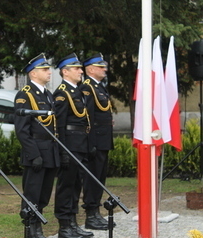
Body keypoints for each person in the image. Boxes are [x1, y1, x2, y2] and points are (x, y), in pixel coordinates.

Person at [14, 53, 59, 238]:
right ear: (33, 74)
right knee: (32, 193)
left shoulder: (47, 94)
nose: (49, 72)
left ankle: (38, 223)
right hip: (36, 153)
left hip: (50, 151)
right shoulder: (24, 95)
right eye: (44, 69)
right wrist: (34, 155)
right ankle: (31, 228)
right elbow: (22, 130)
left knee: (44, 194)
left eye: (48, 69)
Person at [53, 53, 93, 238]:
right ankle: (64, 226)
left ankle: (73, 223)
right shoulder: (62, 93)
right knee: (66, 186)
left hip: (80, 145)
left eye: (80, 68)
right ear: (65, 72)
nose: (80, 71)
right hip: (69, 145)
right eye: (76, 68)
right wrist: (62, 150)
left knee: (77, 186)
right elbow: (58, 124)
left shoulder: (77, 91)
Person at [79, 53, 114, 230]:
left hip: (103, 140)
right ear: (91, 69)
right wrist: (90, 143)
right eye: (101, 67)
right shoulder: (87, 87)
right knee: (92, 179)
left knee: (100, 177)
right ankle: (91, 215)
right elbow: (88, 118)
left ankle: (96, 212)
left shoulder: (99, 87)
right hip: (95, 141)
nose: (104, 69)